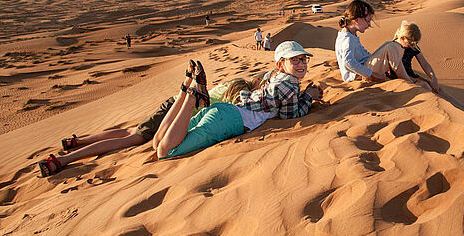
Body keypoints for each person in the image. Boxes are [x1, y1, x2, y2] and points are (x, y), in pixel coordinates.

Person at [37, 61, 255, 177]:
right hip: (176, 108)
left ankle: (79, 141)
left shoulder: (231, 82)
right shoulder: (239, 90)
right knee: (131, 138)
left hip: (171, 104)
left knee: (130, 131)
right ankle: (65, 159)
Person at [153, 41, 321, 159]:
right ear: (280, 65)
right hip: (227, 121)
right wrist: (309, 96)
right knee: (166, 152)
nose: (301, 64)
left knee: (158, 142)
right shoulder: (290, 83)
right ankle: (191, 99)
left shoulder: (274, 77)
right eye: (294, 60)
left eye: (303, 59)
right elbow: (290, 116)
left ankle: (184, 90)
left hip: (224, 111)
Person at [387, 20, 464, 117]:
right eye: (412, 43)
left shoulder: (413, 46)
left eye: (415, 43)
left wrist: (433, 78)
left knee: (437, 88)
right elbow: (394, 70)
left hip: (411, 75)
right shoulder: (393, 47)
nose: (413, 45)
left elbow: (424, 64)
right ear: (403, 38)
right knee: (426, 88)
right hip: (399, 79)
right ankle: (453, 114)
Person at [334, 0, 412, 83]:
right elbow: (348, 62)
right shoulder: (347, 38)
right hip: (358, 75)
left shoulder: (351, 34)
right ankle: (407, 81)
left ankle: (402, 78)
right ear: (356, 20)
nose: (369, 25)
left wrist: (380, 61)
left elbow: (363, 54)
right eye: (368, 20)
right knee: (390, 47)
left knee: (389, 44)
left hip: (364, 68)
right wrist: (371, 74)